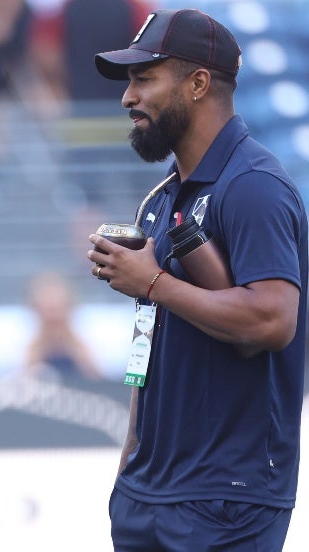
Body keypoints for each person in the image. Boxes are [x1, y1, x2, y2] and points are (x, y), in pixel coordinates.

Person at [86, 9, 307, 550]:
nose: (127, 97)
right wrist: (129, 468)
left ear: (198, 83)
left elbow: (274, 320)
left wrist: (154, 282)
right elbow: (152, 337)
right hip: (150, 493)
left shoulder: (254, 186)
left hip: (226, 498)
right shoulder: (163, 197)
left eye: (144, 78)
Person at [24, 271, 102, 382]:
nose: (53, 317)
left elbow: (97, 380)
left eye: (57, 309)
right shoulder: (30, 348)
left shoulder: (82, 346)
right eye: (48, 310)